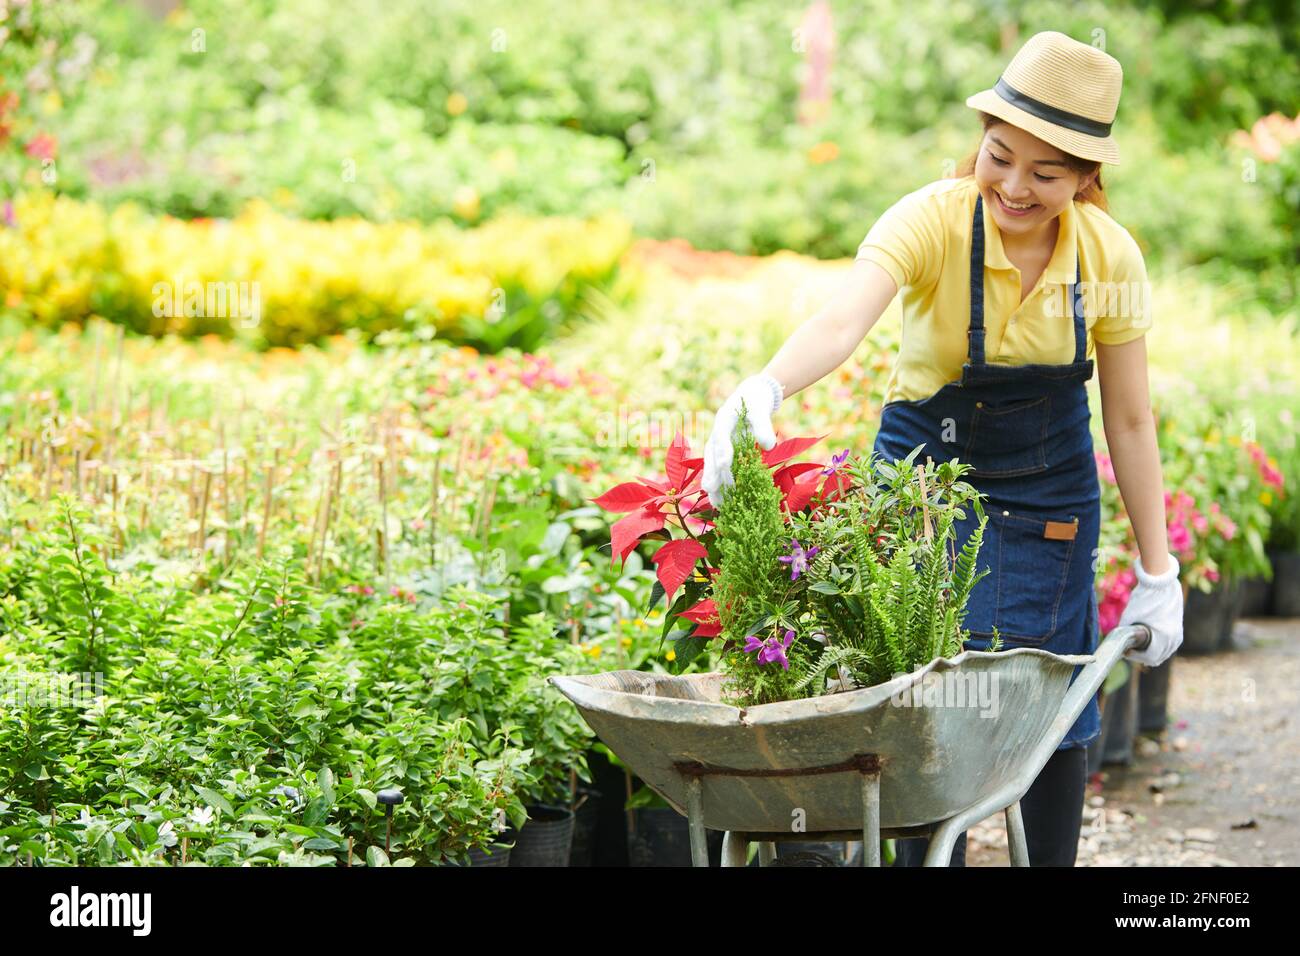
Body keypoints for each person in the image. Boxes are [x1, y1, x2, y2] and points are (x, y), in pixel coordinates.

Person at [699, 31, 1184, 867]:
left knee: (1056, 698)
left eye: (1048, 173)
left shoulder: (1109, 257)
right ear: (982, 141)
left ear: (1087, 179)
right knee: (929, 691)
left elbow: (1130, 420)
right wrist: (766, 386)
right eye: (1001, 157)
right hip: (926, 479)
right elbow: (843, 320)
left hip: (1050, 491)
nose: (1016, 187)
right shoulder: (931, 220)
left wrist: (1158, 568)